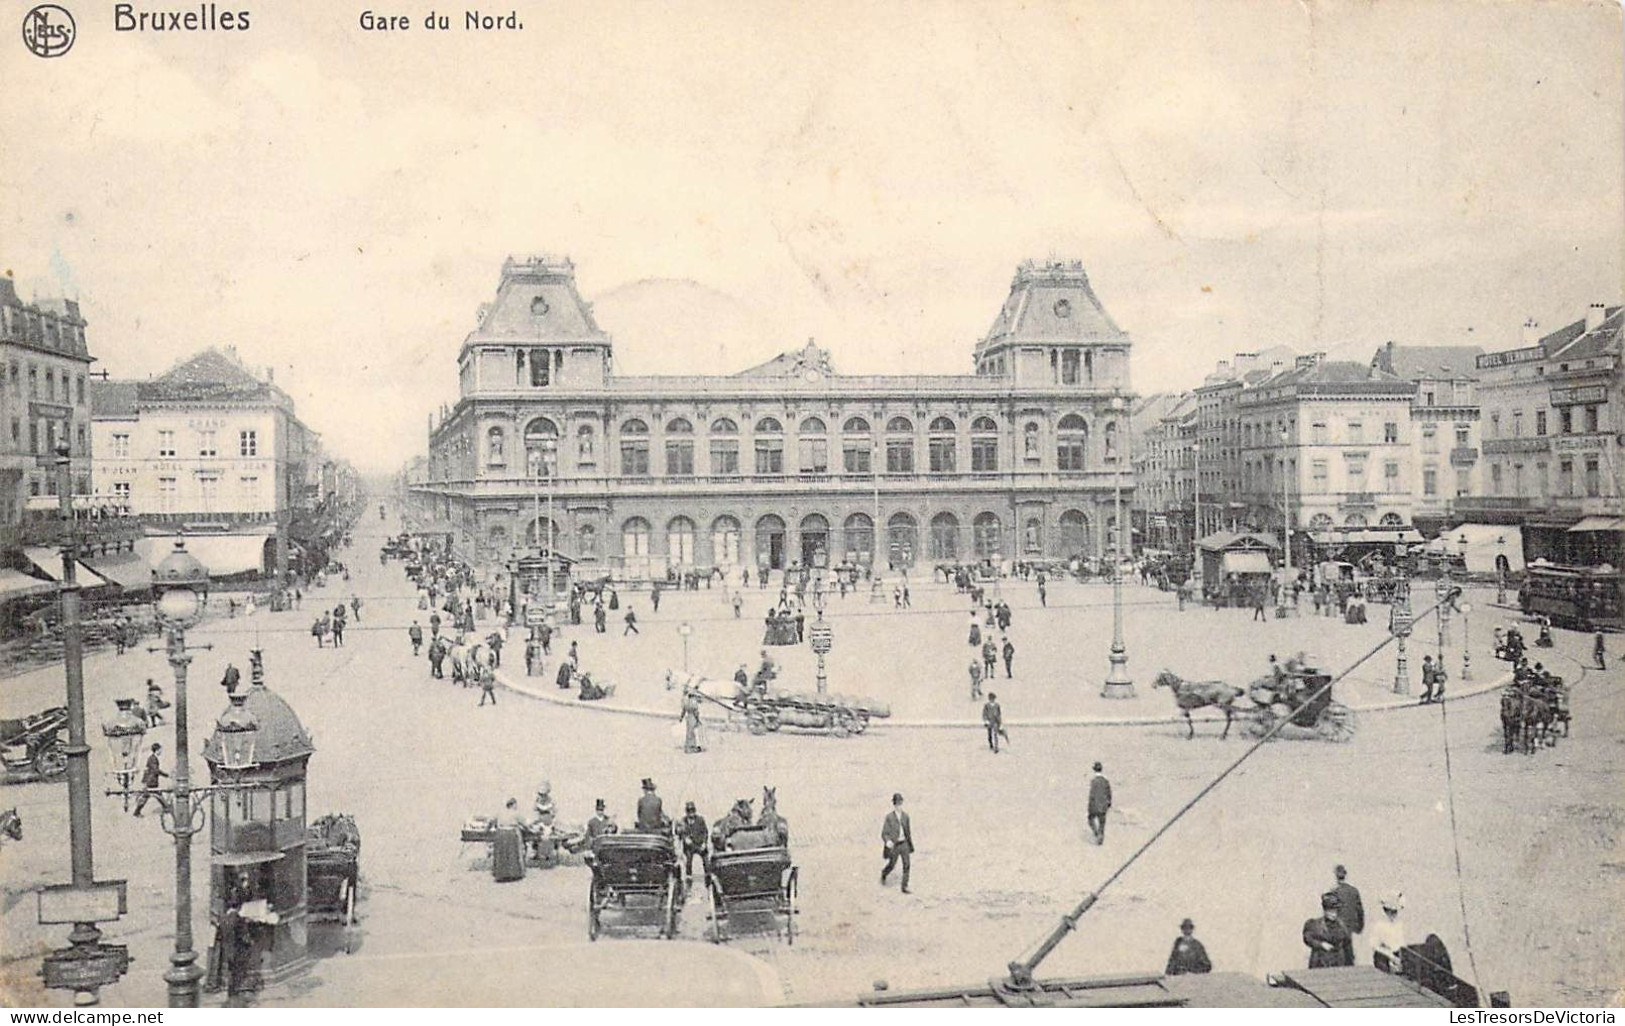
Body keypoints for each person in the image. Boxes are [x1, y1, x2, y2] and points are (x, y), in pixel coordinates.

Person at [1303, 891, 1355, 968]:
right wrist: (1321, 945)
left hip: (1339, 961)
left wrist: (1350, 963)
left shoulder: (1342, 925)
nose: (1334, 914)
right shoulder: (1315, 924)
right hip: (1320, 960)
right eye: (1331, 911)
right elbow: (1307, 938)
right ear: (1325, 911)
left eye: (1336, 911)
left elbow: (1347, 944)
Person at [880, 792, 914, 893]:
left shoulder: (906, 817)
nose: (898, 806)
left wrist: (909, 844)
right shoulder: (889, 817)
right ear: (894, 805)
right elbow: (884, 833)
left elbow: (908, 832)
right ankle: (884, 873)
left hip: (904, 844)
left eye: (900, 804)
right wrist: (888, 841)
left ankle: (904, 886)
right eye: (896, 804)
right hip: (894, 845)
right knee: (892, 864)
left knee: (907, 864)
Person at [1370, 893, 1406, 972]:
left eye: (1395, 912)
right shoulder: (1379, 925)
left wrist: (1398, 958)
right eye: (1391, 912)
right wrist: (1389, 956)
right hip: (1383, 958)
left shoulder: (1398, 924)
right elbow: (1374, 945)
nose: (1393, 914)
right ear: (1386, 911)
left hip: (1396, 956)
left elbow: (1401, 942)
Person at [133, 743, 167, 817]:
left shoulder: (152, 758)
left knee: (157, 795)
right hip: (150, 781)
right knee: (148, 796)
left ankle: (166, 808)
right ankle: (137, 812)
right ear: (157, 750)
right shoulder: (153, 759)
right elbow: (156, 770)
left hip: (150, 781)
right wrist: (166, 775)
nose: (161, 751)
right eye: (160, 750)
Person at [678, 801, 709, 881]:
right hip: (690, 846)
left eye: (692, 811)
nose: (691, 813)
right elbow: (681, 832)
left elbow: (705, 832)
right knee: (688, 858)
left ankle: (708, 874)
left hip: (700, 843)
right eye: (689, 811)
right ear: (686, 812)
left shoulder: (700, 820)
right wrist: (685, 838)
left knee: (706, 858)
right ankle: (689, 876)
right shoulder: (683, 821)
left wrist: (704, 843)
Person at [1332, 865, 1365, 936]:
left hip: (1339, 929)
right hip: (1352, 929)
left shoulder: (1334, 892)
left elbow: (1330, 912)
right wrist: (1360, 927)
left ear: (1335, 876)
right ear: (1345, 875)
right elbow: (1360, 911)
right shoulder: (1354, 891)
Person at [1087, 762, 1112, 845]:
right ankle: (1100, 835)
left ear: (1094, 770)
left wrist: (1090, 807)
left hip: (1094, 806)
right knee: (1102, 822)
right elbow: (1109, 793)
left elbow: (1092, 795)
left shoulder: (1094, 782)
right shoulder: (1105, 781)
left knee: (1090, 819)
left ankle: (1096, 832)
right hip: (1103, 806)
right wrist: (1108, 803)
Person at [680, 688, 703, 753]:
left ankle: (687, 746)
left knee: (688, 732)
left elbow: (683, 711)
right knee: (692, 732)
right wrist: (698, 720)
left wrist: (681, 718)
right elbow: (696, 712)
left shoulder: (686, 702)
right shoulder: (694, 703)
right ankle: (692, 747)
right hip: (693, 717)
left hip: (688, 717)